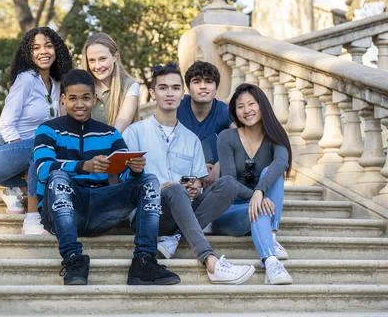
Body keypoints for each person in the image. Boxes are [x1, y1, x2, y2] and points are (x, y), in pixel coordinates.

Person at [32, 69, 180, 286]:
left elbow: (126, 171)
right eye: (72, 98)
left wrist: (135, 169)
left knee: (149, 181)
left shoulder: (109, 134)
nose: (79, 104)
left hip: (102, 208)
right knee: (57, 179)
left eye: (85, 98)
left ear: (94, 99)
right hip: (64, 210)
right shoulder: (48, 129)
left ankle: (144, 262)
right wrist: (84, 166)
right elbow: (43, 169)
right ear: (63, 100)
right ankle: (74, 259)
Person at [123, 63, 255, 284]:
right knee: (173, 188)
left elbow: (196, 183)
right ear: (153, 93)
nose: (169, 93)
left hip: (181, 210)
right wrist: (157, 186)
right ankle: (210, 260)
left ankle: (176, 237)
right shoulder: (134, 132)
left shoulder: (191, 140)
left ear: (181, 94)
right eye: (163, 88)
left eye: (175, 88)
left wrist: (195, 186)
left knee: (229, 184)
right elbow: (124, 184)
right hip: (148, 215)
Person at [0, 27, 73, 235]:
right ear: (28, 54)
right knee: (42, 145)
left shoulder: (57, 84)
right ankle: (32, 219)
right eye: (35, 48)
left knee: (52, 149)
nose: (43, 51)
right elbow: (7, 123)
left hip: (26, 155)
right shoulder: (26, 79)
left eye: (48, 46)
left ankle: (16, 190)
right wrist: (23, 148)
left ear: (57, 50)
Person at [211, 83, 293, 285]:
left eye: (251, 103)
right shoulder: (226, 137)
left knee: (270, 173)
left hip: (261, 209)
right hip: (230, 212)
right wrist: (256, 196)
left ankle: (271, 246)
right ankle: (271, 258)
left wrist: (259, 191)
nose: (246, 110)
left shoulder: (275, 135)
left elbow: (282, 162)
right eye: (240, 106)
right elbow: (229, 182)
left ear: (262, 105)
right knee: (260, 206)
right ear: (235, 111)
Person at [177, 61, 235, 187]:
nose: (203, 86)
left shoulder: (223, 111)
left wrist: (219, 165)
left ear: (216, 88)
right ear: (188, 87)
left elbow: (241, 141)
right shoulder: (177, 108)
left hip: (212, 178)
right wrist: (198, 166)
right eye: (197, 81)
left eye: (208, 81)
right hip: (180, 176)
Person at [81, 32, 140, 132]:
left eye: (102, 59)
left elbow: (119, 127)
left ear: (115, 57)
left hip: (119, 146)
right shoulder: (82, 88)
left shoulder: (129, 85)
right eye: (92, 60)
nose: (97, 66)